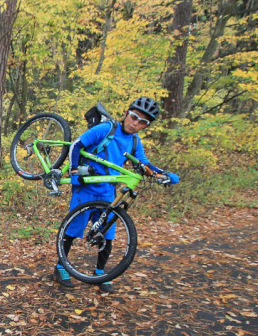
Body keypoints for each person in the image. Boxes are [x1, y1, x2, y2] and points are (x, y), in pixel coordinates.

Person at [53, 97, 179, 293]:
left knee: (107, 232)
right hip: (86, 187)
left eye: (142, 122)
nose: (135, 123)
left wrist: (161, 173)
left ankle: (100, 273)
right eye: (134, 117)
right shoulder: (106, 129)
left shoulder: (135, 141)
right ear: (127, 113)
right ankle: (60, 268)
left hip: (108, 191)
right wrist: (75, 171)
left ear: (146, 126)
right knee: (72, 228)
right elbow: (76, 145)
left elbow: (143, 163)